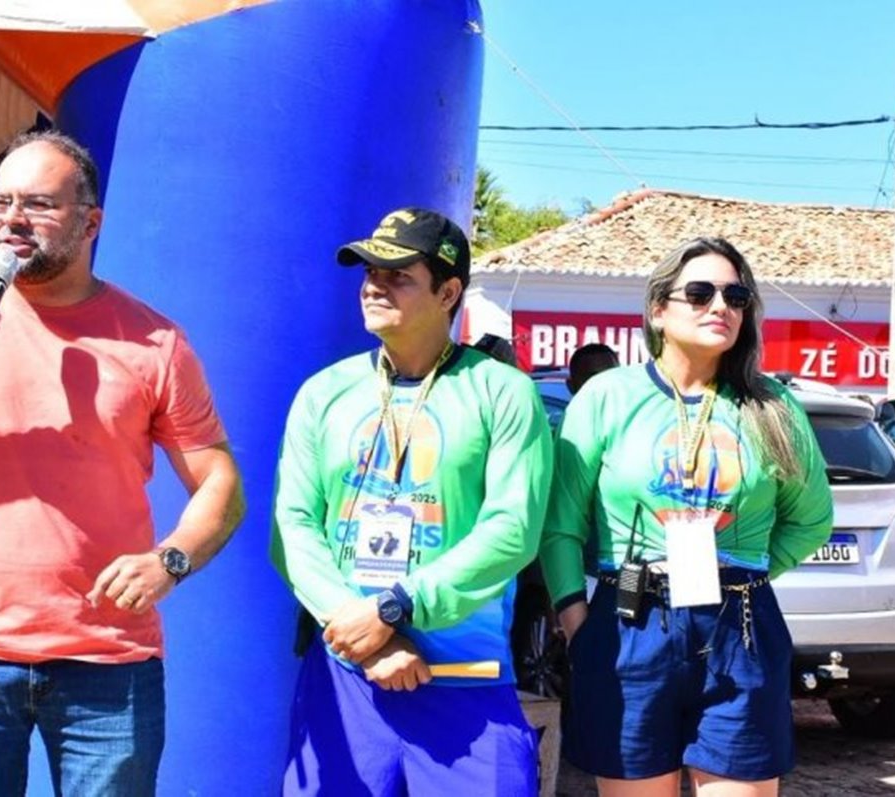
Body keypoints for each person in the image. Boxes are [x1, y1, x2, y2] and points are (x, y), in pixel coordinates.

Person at [0, 130, 245, 796]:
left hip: (108, 661)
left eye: (37, 204)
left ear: (91, 222)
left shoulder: (156, 341)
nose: (12, 220)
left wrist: (169, 560)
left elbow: (220, 484)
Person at [271, 207, 554, 795]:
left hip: (465, 683)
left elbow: (512, 529)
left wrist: (395, 610)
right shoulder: (324, 393)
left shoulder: (501, 392)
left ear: (448, 291)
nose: (374, 283)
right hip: (347, 680)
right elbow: (293, 526)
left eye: (399, 273)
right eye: (370, 269)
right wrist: (361, 635)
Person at [542, 237, 833, 797]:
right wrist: (576, 620)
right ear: (658, 309)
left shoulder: (773, 407)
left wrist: (745, 574)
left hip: (739, 628)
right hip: (629, 621)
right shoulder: (607, 396)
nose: (720, 306)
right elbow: (561, 522)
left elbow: (811, 519)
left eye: (736, 295)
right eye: (699, 292)